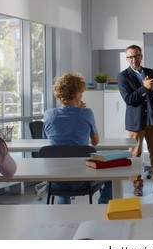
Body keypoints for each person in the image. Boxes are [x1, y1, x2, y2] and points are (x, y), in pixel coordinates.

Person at [43, 72, 112, 204]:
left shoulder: (48, 114)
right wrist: (80, 111)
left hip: (55, 180)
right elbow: (95, 142)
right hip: (83, 179)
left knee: (62, 166)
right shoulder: (86, 113)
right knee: (111, 175)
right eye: (81, 92)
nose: (82, 95)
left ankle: (64, 208)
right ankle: (103, 205)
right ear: (75, 94)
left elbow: (49, 139)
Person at [118, 45, 153, 196]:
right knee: (135, 154)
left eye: (136, 56)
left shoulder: (149, 72)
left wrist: (152, 87)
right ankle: (137, 184)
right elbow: (129, 100)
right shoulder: (123, 76)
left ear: (141, 56)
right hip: (136, 122)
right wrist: (144, 88)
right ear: (126, 59)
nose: (133, 59)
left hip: (152, 119)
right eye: (130, 57)